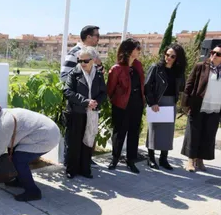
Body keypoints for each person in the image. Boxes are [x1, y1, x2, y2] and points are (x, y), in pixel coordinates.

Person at [0, 101, 60, 202]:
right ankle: (21, 180)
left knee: (19, 159)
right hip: (44, 133)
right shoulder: (1, 116)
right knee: (17, 155)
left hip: (47, 138)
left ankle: (33, 192)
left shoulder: (3, 123)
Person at [63, 47, 107, 179]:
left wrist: (95, 102)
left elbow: (103, 93)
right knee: (74, 142)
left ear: (92, 61)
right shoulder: (74, 73)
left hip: (91, 113)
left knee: (88, 141)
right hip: (76, 112)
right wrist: (86, 102)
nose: (82, 63)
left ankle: (85, 169)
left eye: (85, 61)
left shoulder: (98, 75)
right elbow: (67, 92)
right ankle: (72, 169)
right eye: (79, 60)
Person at [144, 44, 187, 170]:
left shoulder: (178, 71)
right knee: (153, 130)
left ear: (177, 58)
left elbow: (181, 87)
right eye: (167, 54)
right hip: (156, 102)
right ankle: (150, 158)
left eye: (172, 56)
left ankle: (163, 158)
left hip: (170, 102)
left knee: (168, 133)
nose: (168, 58)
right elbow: (147, 86)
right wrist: (152, 102)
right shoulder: (156, 67)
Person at [181, 44, 221, 172]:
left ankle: (200, 159)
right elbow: (189, 84)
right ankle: (190, 160)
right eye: (213, 52)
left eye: (218, 54)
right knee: (194, 133)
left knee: (208, 134)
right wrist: (185, 104)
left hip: (215, 108)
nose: (214, 55)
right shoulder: (200, 66)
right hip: (199, 105)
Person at [107, 38, 144, 174]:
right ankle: (115, 159)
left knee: (134, 133)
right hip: (121, 105)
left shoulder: (138, 65)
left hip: (137, 103)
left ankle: (131, 161)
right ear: (129, 50)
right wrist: (116, 101)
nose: (139, 50)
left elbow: (141, 84)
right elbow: (110, 89)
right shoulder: (116, 69)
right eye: (137, 47)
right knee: (119, 132)